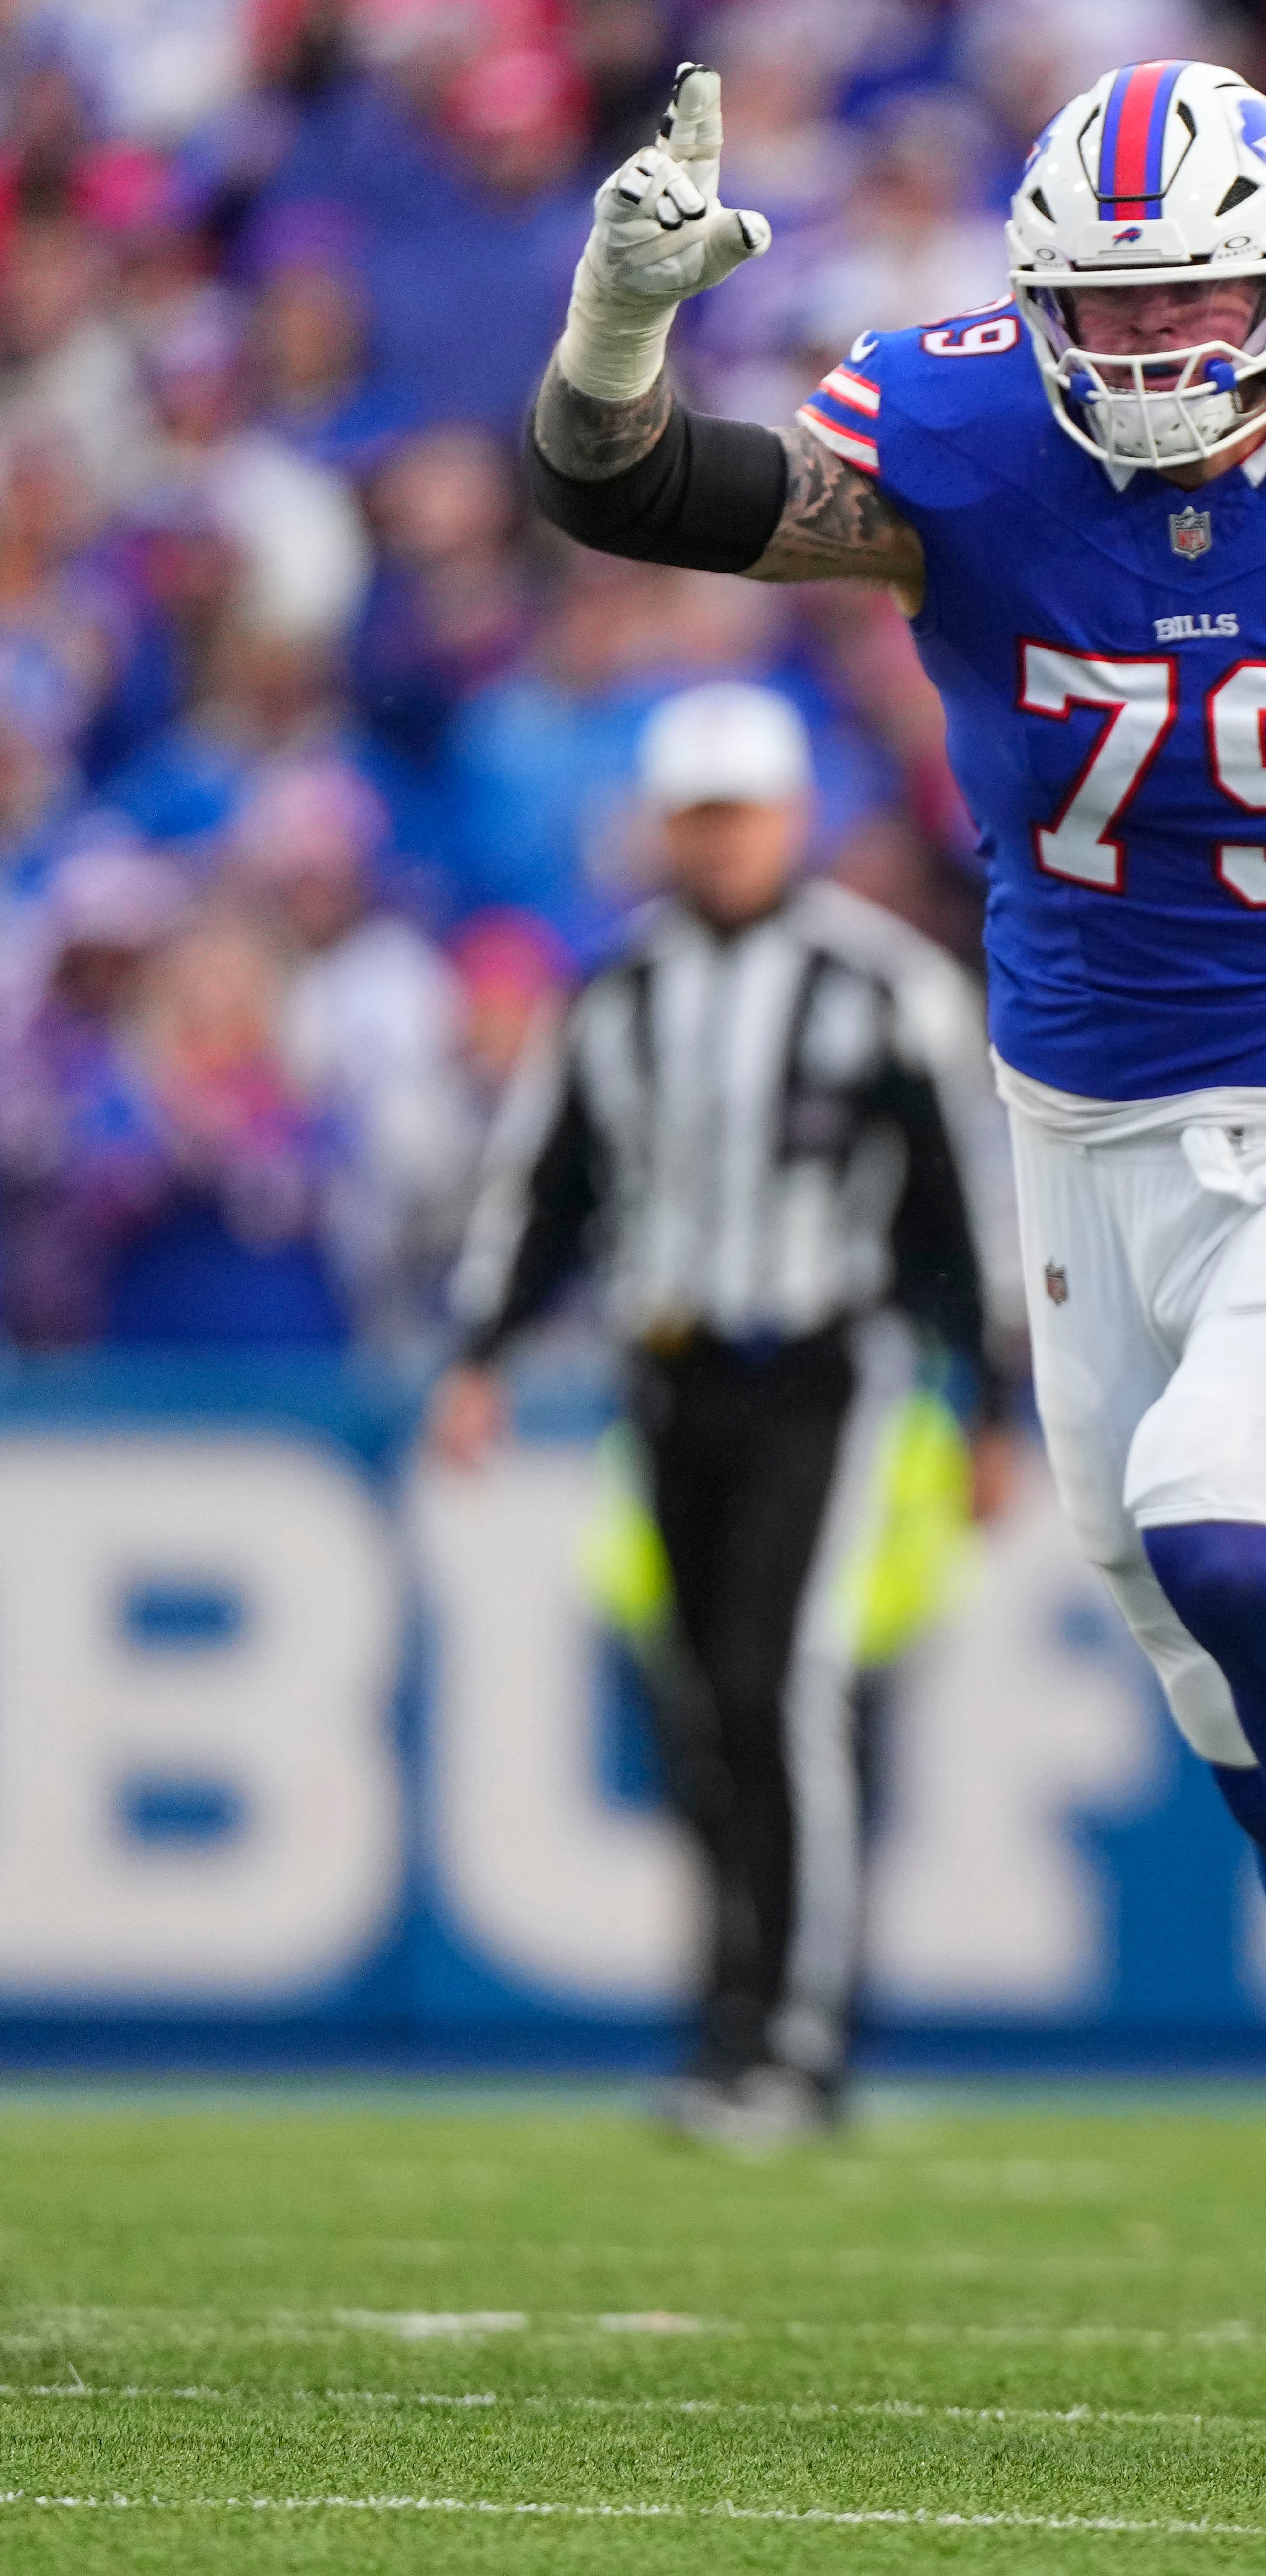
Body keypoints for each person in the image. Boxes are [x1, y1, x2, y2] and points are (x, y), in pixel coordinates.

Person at [514, 63, 1266, 2293]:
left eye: (1194, 295)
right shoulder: (958, 430)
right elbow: (622, 486)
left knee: (1230, 1523)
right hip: (1073, 1116)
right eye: (1101, 311)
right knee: (1190, 1639)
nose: (1149, 352)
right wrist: (615, 327)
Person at [430, 681, 1022, 2141]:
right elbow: (546, 1187)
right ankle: (727, 2021)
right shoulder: (614, 992)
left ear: (791, 816)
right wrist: (482, 1354)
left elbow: (966, 1212)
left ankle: (799, 2041)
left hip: (830, 1372)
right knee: (698, 1704)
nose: (718, 842)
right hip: (666, 1372)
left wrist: (996, 1403)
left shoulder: (882, 987)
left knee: (783, 1688)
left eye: (739, 813)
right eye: (695, 815)